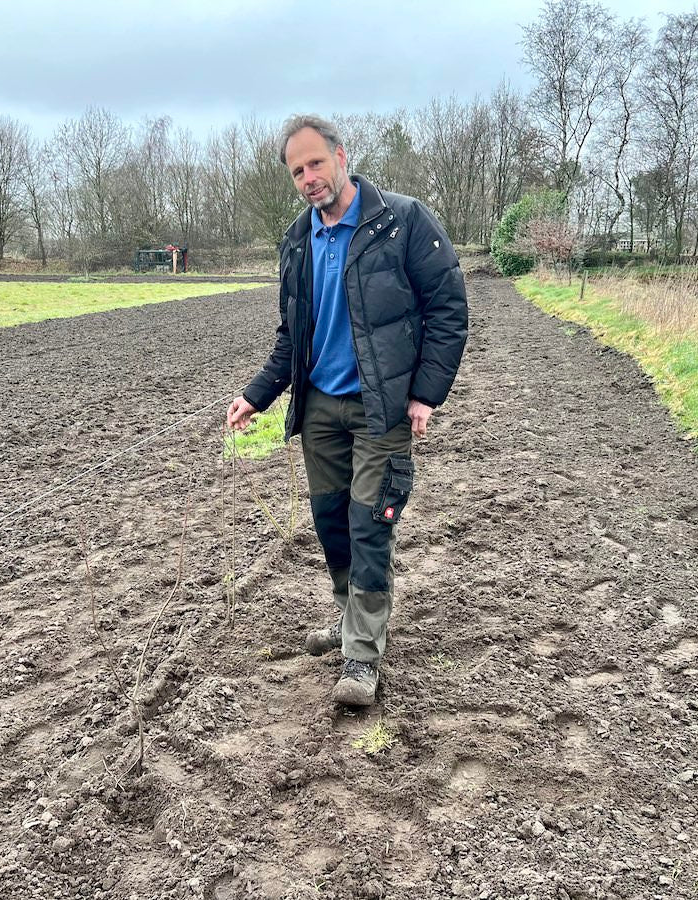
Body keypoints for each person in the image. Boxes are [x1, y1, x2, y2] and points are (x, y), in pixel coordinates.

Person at [226, 114, 468, 706]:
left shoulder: (403, 222)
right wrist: (256, 394)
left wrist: (424, 394)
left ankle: (361, 657)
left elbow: (448, 311)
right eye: (297, 170)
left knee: (369, 524)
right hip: (319, 410)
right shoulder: (297, 241)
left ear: (340, 155)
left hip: (379, 408)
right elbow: (294, 334)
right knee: (332, 524)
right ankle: (349, 621)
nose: (309, 177)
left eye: (315, 163)